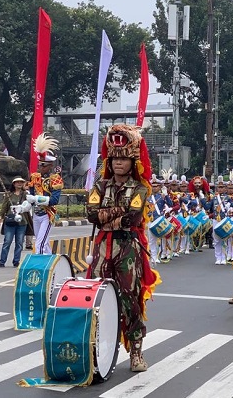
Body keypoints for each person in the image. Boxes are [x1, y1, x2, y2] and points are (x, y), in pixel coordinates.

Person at [86, 124, 161, 372]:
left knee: (130, 298)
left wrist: (108, 215)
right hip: (102, 246)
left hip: (128, 247)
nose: (118, 163)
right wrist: (118, 213)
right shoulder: (99, 186)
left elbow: (134, 218)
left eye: (124, 158)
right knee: (95, 297)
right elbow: (91, 215)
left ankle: (136, 353)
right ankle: (96, 350)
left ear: (132, 161)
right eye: (115, 158)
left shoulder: (140, 188)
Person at [28, 133, 63, 255]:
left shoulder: (55, 179)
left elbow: (54, 200)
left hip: (47, 215)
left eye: (43, 165)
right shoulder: (35, 177)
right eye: (39, 164)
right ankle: (51, 263)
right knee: (42, 241)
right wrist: (25, 205)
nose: (40, 167)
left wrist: (36, 199)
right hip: (36, 214)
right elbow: (30, 194)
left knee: (40, 244)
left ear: (50, 166)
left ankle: (40, 266)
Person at [0, 176, 29, 268]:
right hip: (10, 221)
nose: (19, 184)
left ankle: (16, 261)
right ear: (14, 184)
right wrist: (0, 217)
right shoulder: (9, 195)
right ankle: (2, 261)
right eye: (17, 182)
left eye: (21, 182)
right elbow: (4, 207)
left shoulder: (26, 194)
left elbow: (30, 205)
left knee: (19, 242)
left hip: (22, 222)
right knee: (7, 241)